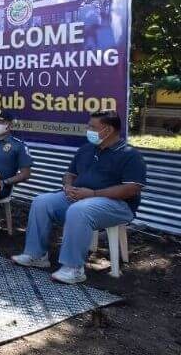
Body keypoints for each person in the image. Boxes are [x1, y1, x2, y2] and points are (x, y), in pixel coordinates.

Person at [12, 109, 146, 284]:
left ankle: (74, 269)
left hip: (118, 205)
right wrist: (67, 186)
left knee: (79, 210)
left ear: (108, 130)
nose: (88, 129)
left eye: (92, 126)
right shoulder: (86, 149)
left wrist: (93, 194)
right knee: (41, 202)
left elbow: (132, 189)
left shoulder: (130, 155)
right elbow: (69, 174)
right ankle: (36, 255)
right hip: (81, 197)